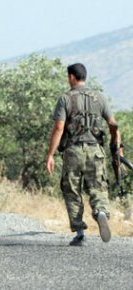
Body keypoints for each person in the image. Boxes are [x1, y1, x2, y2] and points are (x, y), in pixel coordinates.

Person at [46, 63, 122, 246]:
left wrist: (50, 154)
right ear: (84, 77)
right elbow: (114, 125)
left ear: (71, 77)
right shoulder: (100, 98)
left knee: (72, 190)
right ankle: (101, 212)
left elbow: (59, 128)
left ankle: (80, 232)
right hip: (96, 151)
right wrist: (118, 148)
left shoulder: (65, 98)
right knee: (98, 187)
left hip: (73, 151)